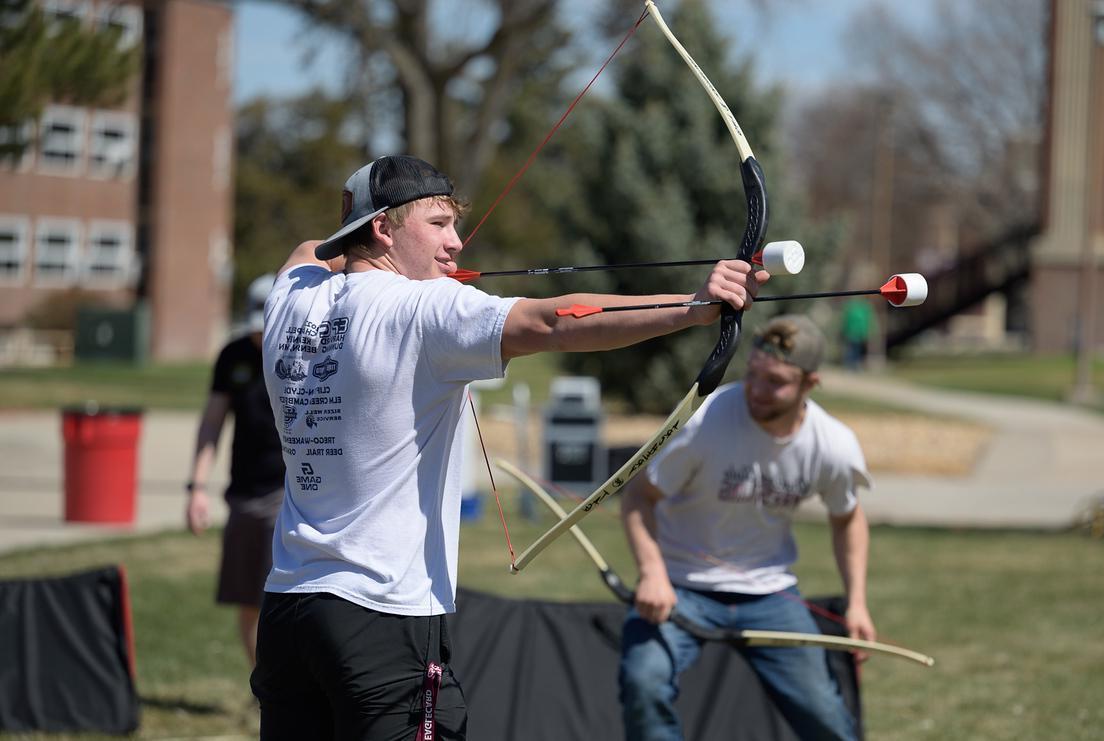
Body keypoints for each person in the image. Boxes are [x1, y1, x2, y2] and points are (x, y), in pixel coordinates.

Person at [248, 154, 768, 740]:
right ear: (383, 227)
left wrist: (362, 246)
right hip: (382, 612)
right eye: (439, 223)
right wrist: (693, 307)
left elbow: (307, 248)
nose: (457, 243)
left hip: (288, 608)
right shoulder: (424, 310)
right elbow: (553, 322)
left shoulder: (292, 298)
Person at [619, 313, 874, 741]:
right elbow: (638, 497)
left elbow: (848, 519)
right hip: (681, 587)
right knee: (643, 681)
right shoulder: (704, 419)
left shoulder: (833, 444)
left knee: (826, 716)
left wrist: (858, 602)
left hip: (770, 593)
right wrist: (652, 573)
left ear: (810, 384)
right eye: (752, 374)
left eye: (774, 381)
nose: (756, 390)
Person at [185, 273, 286, 667]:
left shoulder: (305, 352)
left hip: (288, 491)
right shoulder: (233, 355)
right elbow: (212, 422)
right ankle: (266, 691)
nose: (261, 338)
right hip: (244, 492)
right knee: (249, 602)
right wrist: (196, 487)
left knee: (281, 600)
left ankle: (291, 694)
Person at [839, 299, 876, 370]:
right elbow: (869, 322)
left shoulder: (855, 309)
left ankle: (851, 365)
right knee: (854, 350)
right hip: (857, 333)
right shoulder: (864, 310)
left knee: (854, 350)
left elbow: (846, 322)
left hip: (854, 333)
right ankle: (851, 366)